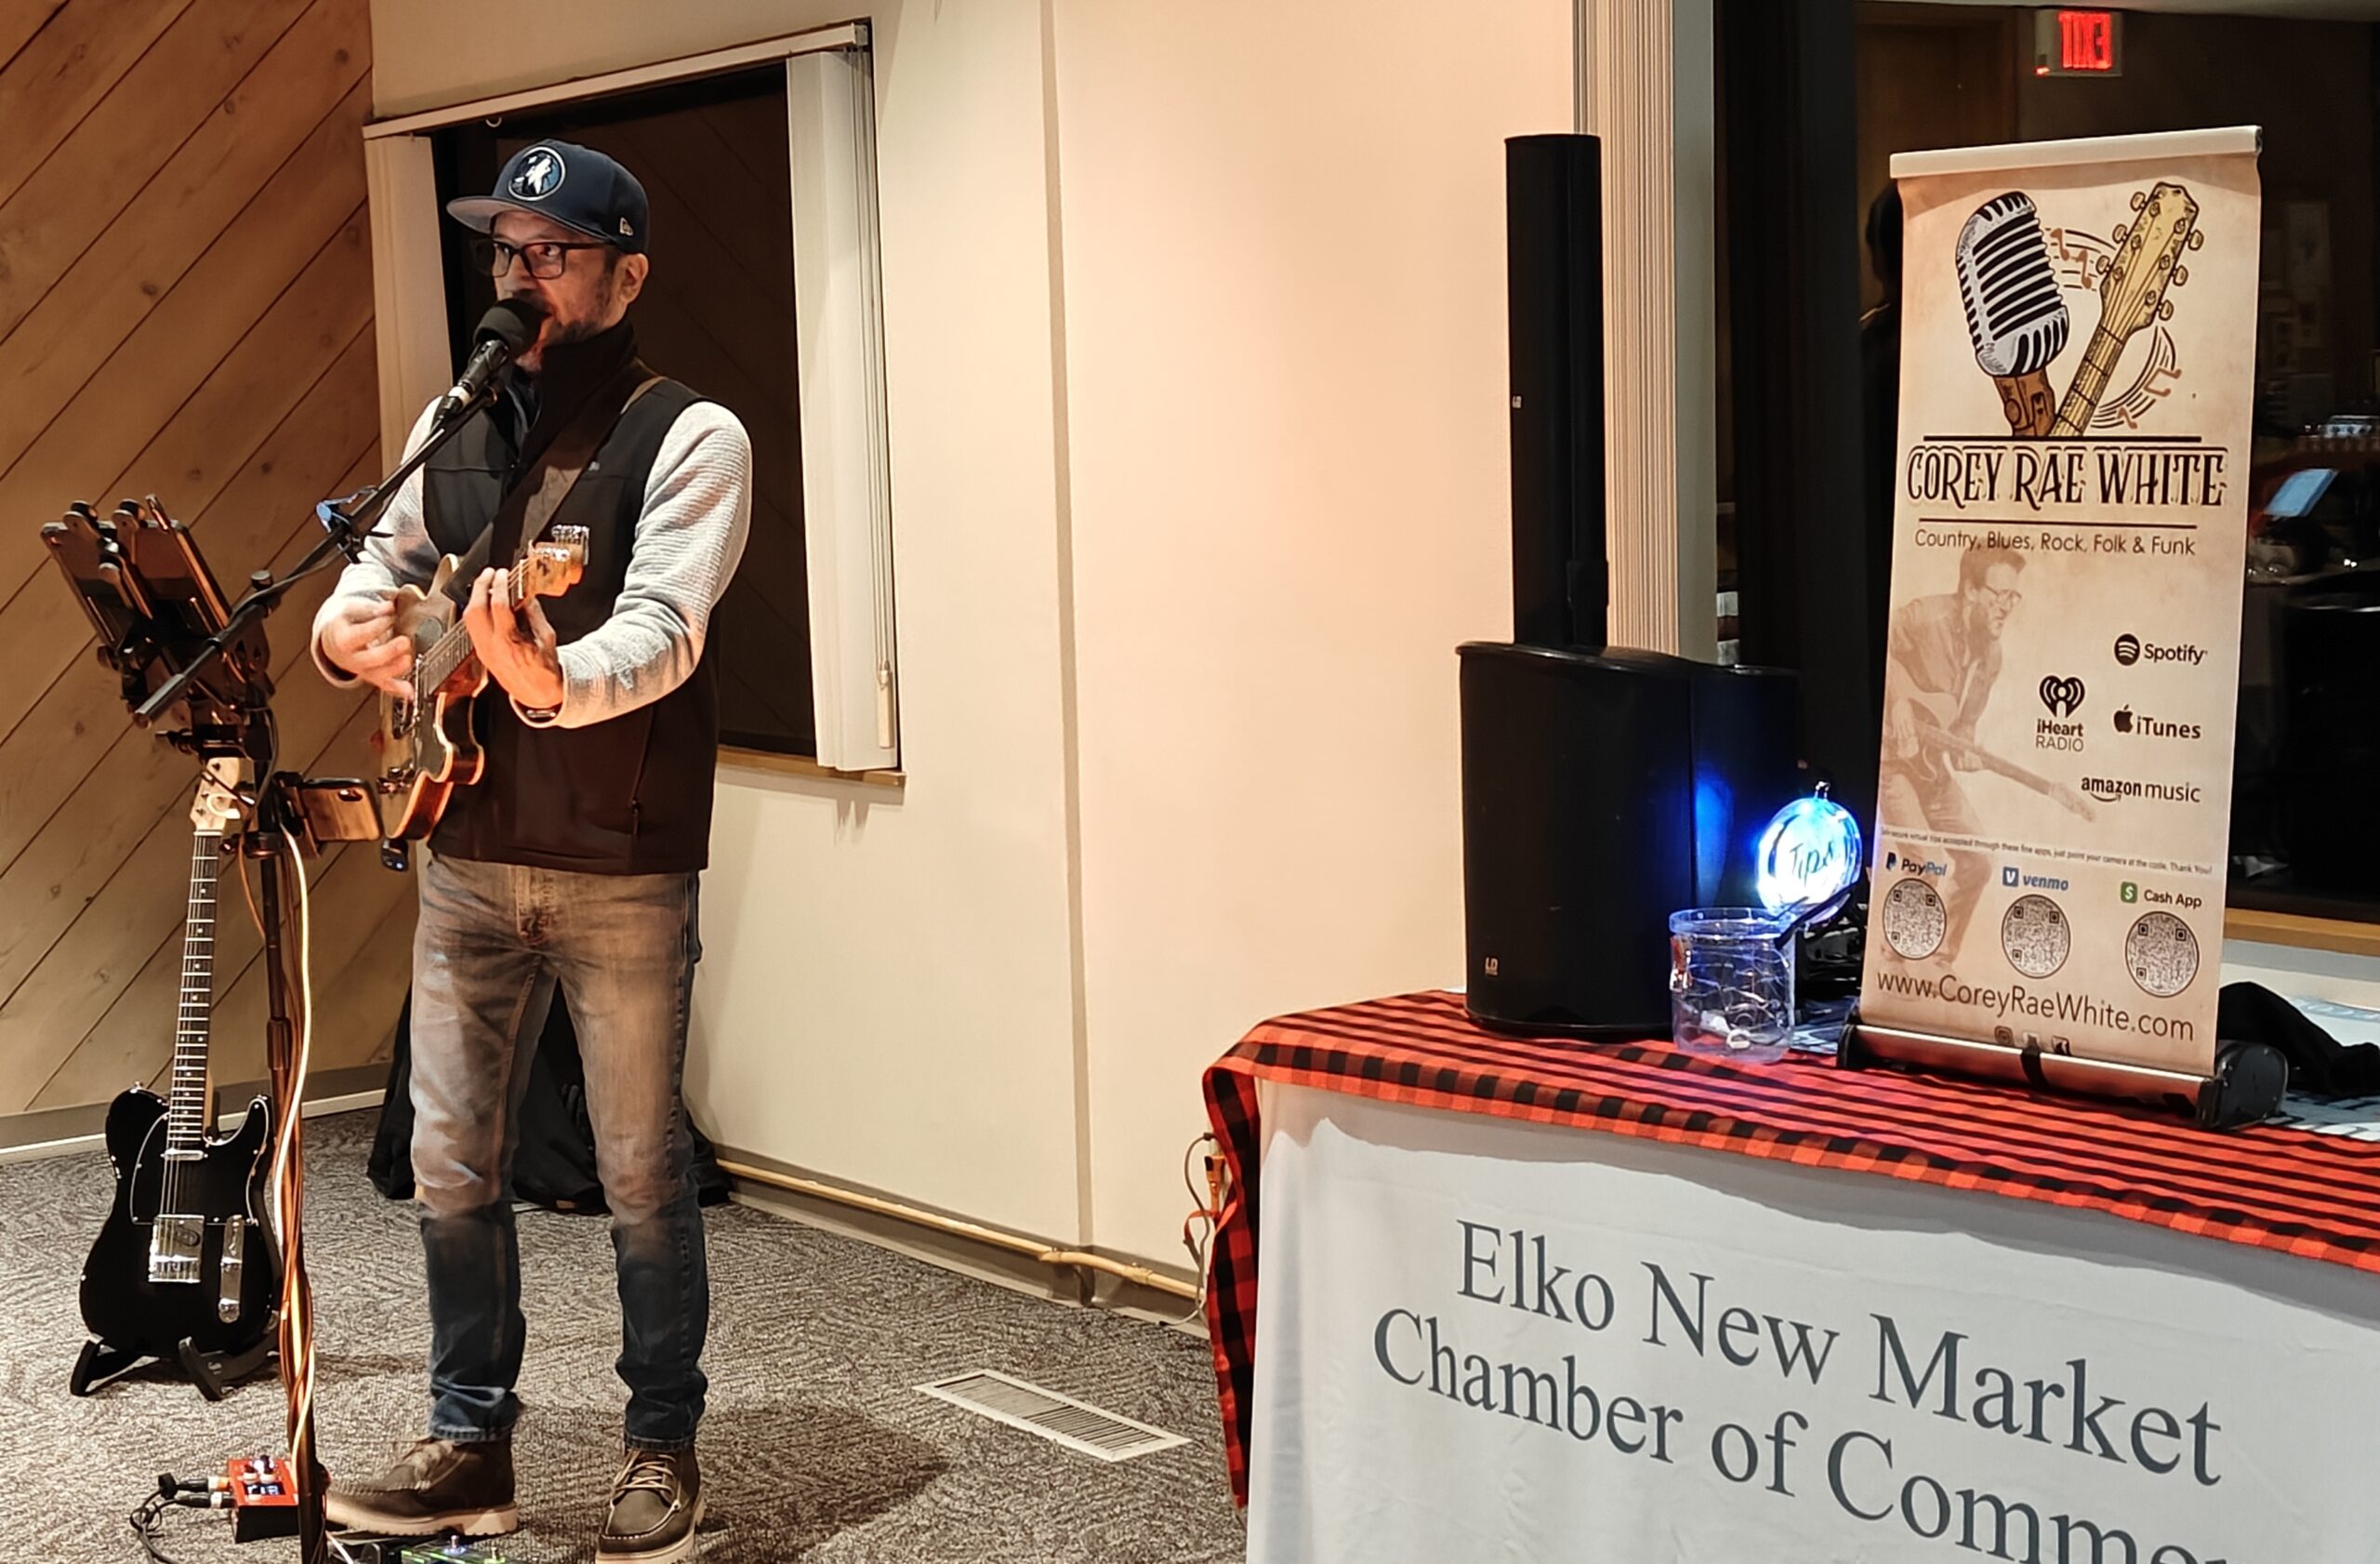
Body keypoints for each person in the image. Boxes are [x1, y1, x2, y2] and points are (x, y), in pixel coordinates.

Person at [311, 140, 750, 1564]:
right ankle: (467, 1443)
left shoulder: (689, 434)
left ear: (628, 273)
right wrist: (345, 638)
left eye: (554, 251)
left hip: (620, 861)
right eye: (506, 248)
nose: (522, 274)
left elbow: (664, 630)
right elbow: (373, 576)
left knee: (639, 1172)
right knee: (450, 1162)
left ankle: (661, 1442)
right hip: (464, 848)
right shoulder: (460, 418)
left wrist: (551, 679)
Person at [1879, 547, 2023, 961]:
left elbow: (1963, 726)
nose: (2006, 607)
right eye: (1999, 594)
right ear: (1970, 590)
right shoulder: (1926, 617)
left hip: (1931, 768)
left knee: (1979, 860)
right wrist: (1900, 700)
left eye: (2013, 597)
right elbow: (1873, 648)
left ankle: (1940, 959)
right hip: (1891, 762)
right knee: (1926, 860)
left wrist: (1966, 752)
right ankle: (1898, 957)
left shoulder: (1991, 657)